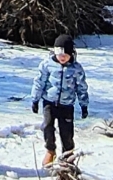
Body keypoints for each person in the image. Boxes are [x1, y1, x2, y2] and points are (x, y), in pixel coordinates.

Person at [31, 35, 90, 168]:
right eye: (59, 54)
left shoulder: (76, 68)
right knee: (47, 127)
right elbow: (39, 82)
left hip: (66, 105)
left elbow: (82, 87)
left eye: (65, 55)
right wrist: (35, 99)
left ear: (71, 54)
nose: (62, 57)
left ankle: (68, 156)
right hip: (49, 102)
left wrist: (84, 105)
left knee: (67, 133)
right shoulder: (47, 64)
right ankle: (50, 150)